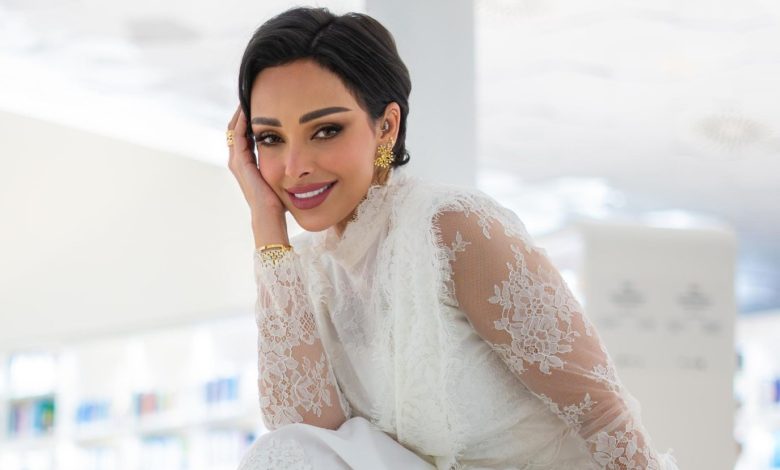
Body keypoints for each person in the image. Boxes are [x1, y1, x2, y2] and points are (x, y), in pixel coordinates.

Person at [226, 6, 678, 470]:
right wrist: (266, 222)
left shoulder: (450, 229)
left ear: (386, 126)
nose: (295, 167)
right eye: (270, 139)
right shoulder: (305, 270)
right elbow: (300, 437)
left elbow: (602, 412)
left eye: (326, 130)